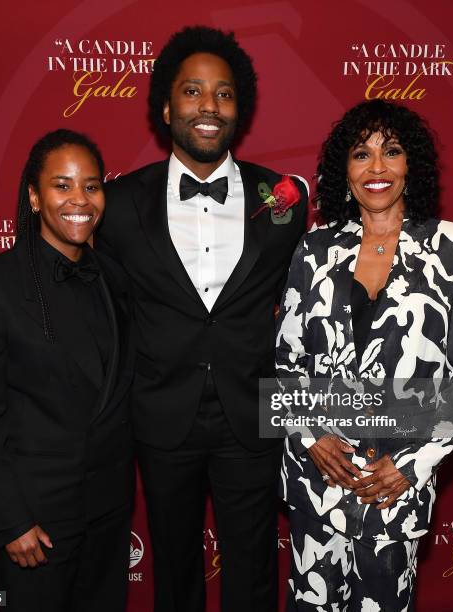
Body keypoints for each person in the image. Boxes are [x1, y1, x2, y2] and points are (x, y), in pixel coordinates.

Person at [96, 26, 308, 612]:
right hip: (162, 413)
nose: (208, 107)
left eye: (224, 94)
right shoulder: (120, 204)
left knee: (256, 570)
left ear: (240, 109)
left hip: (253, 410)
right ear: (167, 106)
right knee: (176, 569)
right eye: (193, 92)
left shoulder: (284, 197)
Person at [275, 99, 453, 611]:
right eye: (360, 154)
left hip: (396, 484)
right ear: (342, 170)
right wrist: (310, 437)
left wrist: (413, 465)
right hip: (317, 480)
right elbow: (285, 362)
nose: (376, 168)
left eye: (391, 152)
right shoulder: (313, 248)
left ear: (410, 164)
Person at [0, 129, 134, 612]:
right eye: (63, 185)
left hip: (108, 517)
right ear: (34, 196)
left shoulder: (113, 277)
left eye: (92, 186)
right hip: (35, 524)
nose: (80, 200)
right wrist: (9, 522)